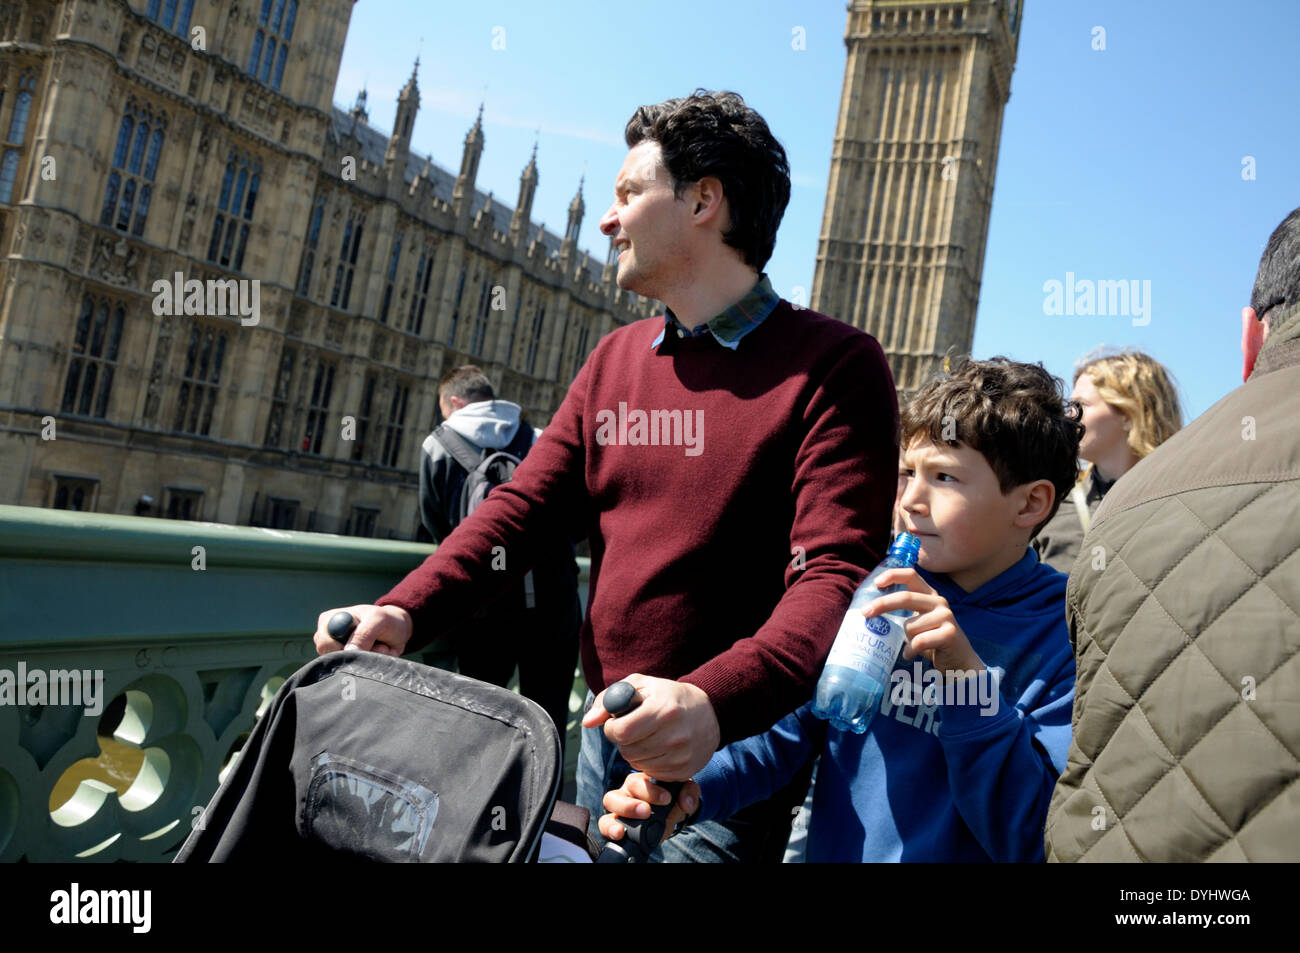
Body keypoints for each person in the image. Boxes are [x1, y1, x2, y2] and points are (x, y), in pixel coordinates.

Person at [311, 90, 900, 862]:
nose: (607, 218)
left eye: (628, 194)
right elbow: (521, 512)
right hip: (603, 730)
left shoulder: (834, 365)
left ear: (703, 202)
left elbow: (832, 574)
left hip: (728, 759)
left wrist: (712, 702)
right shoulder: (615, 359)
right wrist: (403, 611)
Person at [599, 358, 1082, 861]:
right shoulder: (877, 589)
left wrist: (966, 681)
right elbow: (787, 735)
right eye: (907, 472)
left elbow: (1033, 831)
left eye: (944, 477)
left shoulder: (1063, 633)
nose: (911, 500)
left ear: (1029, 505)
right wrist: (693, 787)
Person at [1045, 208, 1300, 862]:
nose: (1067, 418)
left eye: (1083, 405)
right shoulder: (1061, 507)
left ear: (1252, 336)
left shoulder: (1134, 502)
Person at [419, 364, 581, 749]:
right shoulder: (542, 439)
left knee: (477, 719)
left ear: (453, 403)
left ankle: (482, 804)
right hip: (553, 601)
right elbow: (575, 518)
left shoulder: (438, 444)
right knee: (549, 722)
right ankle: (543, 806)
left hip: (482, 603)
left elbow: (437, 526)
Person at [1033, 350, 1181, 572]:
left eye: (1082, 405)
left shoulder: (1178, 507)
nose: (1069, 416)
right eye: (1069, 406)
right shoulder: (1051, 504)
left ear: (1130, 414)